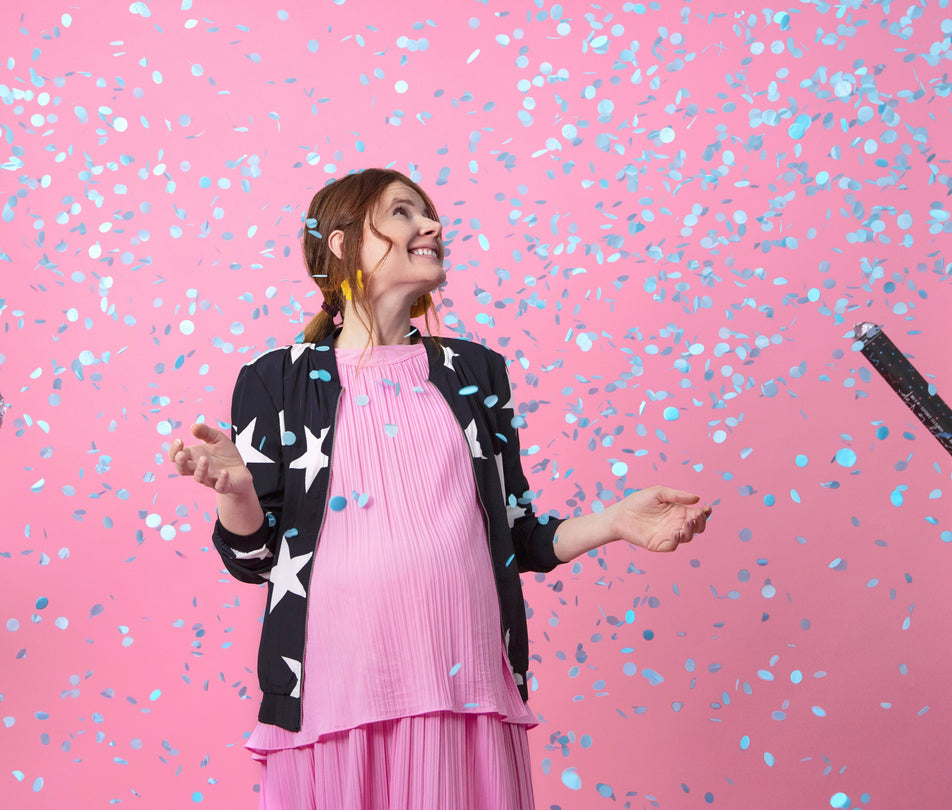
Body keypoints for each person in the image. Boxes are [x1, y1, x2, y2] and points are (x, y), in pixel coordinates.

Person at [168, 168, 711, 809]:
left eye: (427, 212)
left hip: (466, 687)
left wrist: (616, 521)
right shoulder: (274, 380)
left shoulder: (475, 372)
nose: (431, 225)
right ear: (341, 242)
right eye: (402, 212)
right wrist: (237, 494)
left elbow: (514, 536)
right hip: (333, 695)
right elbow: (254, 560)